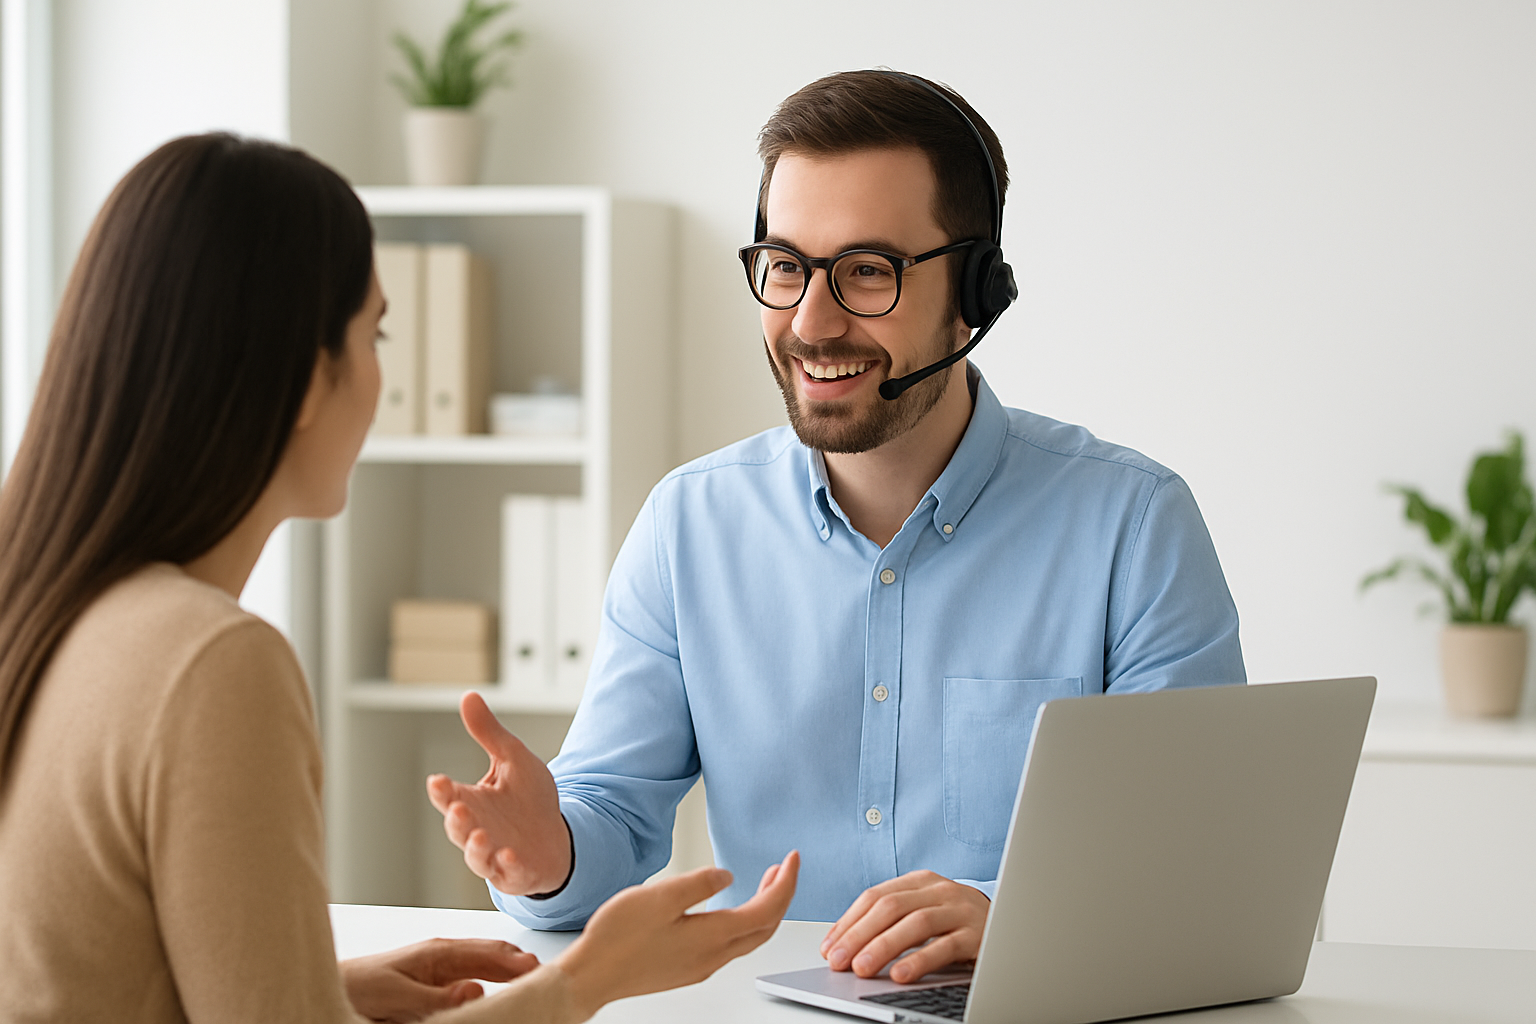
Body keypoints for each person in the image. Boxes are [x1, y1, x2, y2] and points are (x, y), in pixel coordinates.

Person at [428, 70, 1244, 986]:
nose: (811, 324)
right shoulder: (690, 525)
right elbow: (608, 817)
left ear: (978, 293)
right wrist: (550, 857)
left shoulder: (1132, 528)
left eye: (866, 272)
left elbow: (1190, 874)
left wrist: (1008, 912)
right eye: (785, 267)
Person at [0, 132, 797, 1024]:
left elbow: (88, 977)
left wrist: (321, 990)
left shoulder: (59, 613)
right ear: (308, 379)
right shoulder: (214, 665)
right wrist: (590, 979)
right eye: (374, 331)